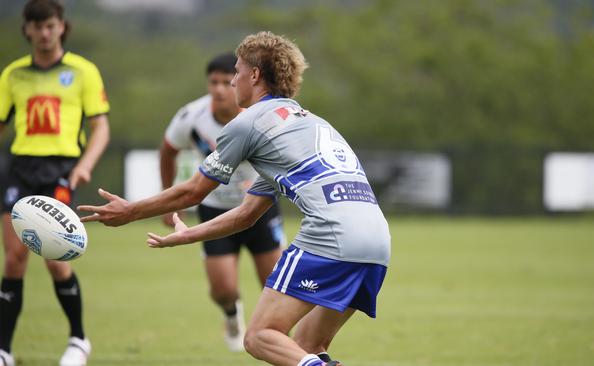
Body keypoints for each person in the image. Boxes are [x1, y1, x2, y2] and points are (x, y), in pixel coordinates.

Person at [79, 31, 390, 366]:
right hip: (377, 244)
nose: (231, 85)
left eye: (236, 74)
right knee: (304, 347)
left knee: (259, 337)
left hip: (332, 236)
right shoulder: (311, 124)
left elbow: (193, 190)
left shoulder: (249, 123)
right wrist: (186, 235)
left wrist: (131, 210)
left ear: (254, 75)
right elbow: (246, 214)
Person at [0, 1, 111, 365]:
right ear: (27, 30)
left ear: (62, 27)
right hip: (19, 169)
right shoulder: (13, 74)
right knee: (14, 258)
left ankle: (78, 340)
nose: (45, 33)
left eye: (51, 25)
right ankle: (3, 350)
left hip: (61, 169)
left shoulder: (83, 72)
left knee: (55, 257)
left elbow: (100, 128)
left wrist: (85, 166)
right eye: (38, 27)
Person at [159, 53, 284, 352]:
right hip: (215, 209)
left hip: (260, 208)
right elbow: (167, 151)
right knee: (223, 289)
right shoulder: (192, 117)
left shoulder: (259, 114)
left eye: (225, 82)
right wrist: (169, 200)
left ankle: (280, 341)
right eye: (212, 82)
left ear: (239, 81)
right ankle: (231, 314)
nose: (217, 89)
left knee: (276, 285)